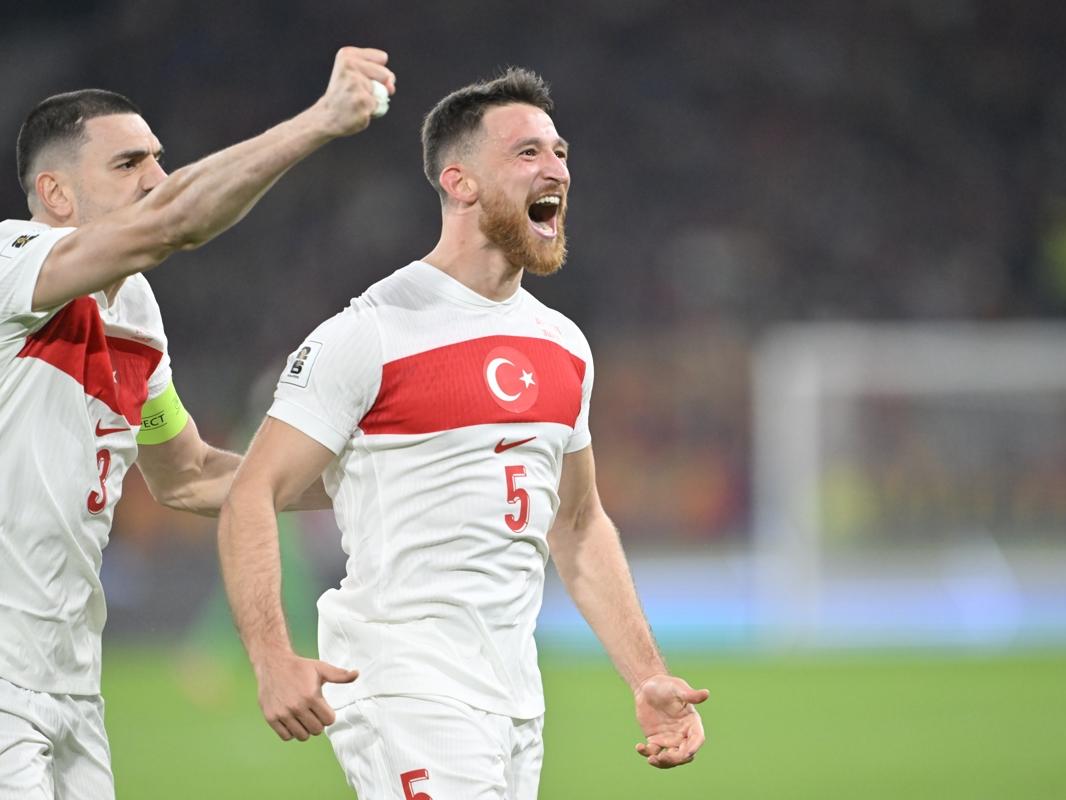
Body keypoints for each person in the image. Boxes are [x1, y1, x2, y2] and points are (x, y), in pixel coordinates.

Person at [218, 67, 708, 798]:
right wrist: (270, 657)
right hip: (406, 686)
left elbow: (577, 522)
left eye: (560, 152)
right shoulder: (372, 331)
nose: (556, 169)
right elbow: (252, 493)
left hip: (514, 700)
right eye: (527, 152)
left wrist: (646, 675)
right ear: (460, 182)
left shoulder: (563, 344)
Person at [0, 47, 395, 800]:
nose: (156, 178)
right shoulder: (12, 263)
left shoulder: (133, 311)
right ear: (54, 193)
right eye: (128, 164)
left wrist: (379, 477)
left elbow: (190, 474)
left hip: (71, 683)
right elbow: (175, 222)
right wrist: (320, 120)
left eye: (158, 159)